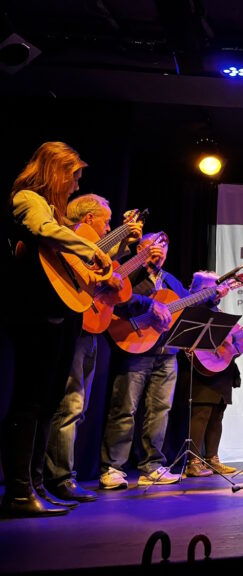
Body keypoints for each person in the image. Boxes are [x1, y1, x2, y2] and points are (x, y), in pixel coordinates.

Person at [3, 142, 115, 517]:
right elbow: (42, 230)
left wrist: (94, 274)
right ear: (56, 172)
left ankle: (36, 484)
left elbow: (63, 259)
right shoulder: (28, 199)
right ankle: (19, 492)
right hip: (33, 312)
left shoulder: (56, 214)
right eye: (74, 177)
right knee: (30, 401)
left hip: (59, 314)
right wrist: (91, 250)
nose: (76, 186)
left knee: (49, 402)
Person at [43, 194, 142, 502]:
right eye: (106, 222)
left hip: (91, 328)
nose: (109, 227)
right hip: (75, 327)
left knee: (79, 407)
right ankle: (60, 477)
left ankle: (62, 475)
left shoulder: (92, 246)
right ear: (88, 219)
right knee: (70, 405)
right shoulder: (71, 239)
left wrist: (122, 252)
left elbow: (105, 267)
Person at [100, 232, 213, 489]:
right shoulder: (129, 274)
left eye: (164, 247)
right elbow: (115, 301)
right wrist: (149, 306)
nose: (160, 250)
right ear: (140, 247)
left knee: (160, 411)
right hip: (134, 346)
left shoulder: (170, 279)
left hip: (166, 352)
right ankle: (112, 468)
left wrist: (212, 296)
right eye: (154, 245)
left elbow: (187, 305)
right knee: (125, 409)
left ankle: (152, 466)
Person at [180, 271, 243, 477]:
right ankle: (193, 462)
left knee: (217, 414)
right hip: (200, 369)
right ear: (197, 291)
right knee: (201, 413)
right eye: (209, 289)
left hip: (222, 369)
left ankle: (212, 459)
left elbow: (234, 343)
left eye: (216, 288)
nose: (216, 292)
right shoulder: (192, 308)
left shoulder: (219, 313)